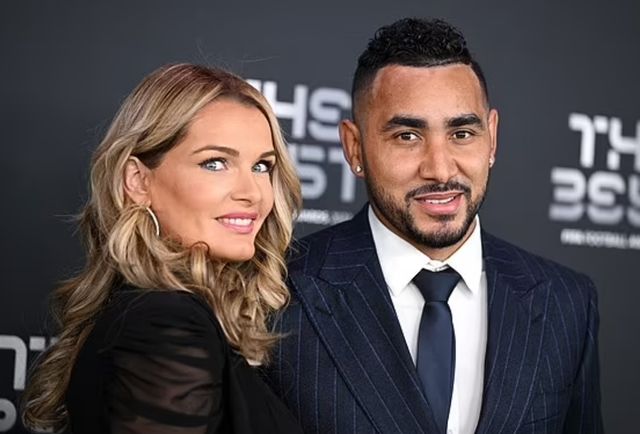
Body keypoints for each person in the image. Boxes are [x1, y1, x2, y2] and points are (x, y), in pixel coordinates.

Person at [265, 18, 603, 433]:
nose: (440, 169)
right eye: (407, 136)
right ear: (355, 148)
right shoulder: (275, 293)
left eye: (462, 133)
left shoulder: (566, 302)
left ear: (492, 138)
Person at [22, 63, 303, 433]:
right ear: (138, 181)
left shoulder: (161, 313)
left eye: (262, 167)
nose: (252, 193)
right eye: (215, 163)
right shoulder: (166, 323)